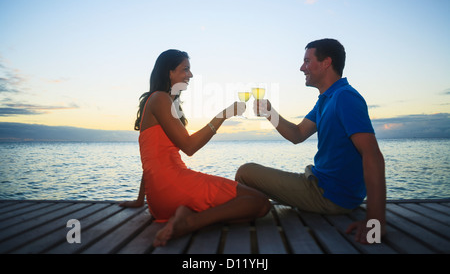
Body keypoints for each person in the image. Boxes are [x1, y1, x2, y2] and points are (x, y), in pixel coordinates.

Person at [235, 39, 386, 243]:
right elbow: (297, 134)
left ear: (326, 63)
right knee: (248, 175)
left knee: (245, 172)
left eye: (307, 61)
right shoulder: (327, 99)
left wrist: (375, 222)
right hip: (323, 185)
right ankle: (256, 207)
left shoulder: (345, 98)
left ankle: (246, 216)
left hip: (328, 194)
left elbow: (373, 155)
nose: (301, 67)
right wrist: (270, 113)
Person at [120, 49, 271, 247]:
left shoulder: (160, 101)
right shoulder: (161, 99)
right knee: (260, 203)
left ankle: (184, 213)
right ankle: (191, 222)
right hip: (173, 184)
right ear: (169, 72)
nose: (190, 75)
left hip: (158, 202)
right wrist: (223, 115)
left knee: (241, 202)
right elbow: (189, 147)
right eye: (185, 69)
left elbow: (150, 159)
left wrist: (141, 199)